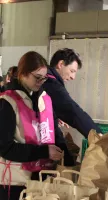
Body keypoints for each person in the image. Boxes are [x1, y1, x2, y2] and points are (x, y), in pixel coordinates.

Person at [0, 51, 63, 200]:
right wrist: (43, 152)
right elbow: (5, 148)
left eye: (44, 77)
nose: (41, 81)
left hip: (37, 180)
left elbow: (50, 130)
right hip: (12, 183)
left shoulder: (42, 99)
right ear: (23, 74)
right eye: (37, 77)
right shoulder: (7, 102)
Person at [43, 48, 101, 139]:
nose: (73, 77)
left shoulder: (47, 77)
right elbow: (72, 110)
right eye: (72, 71)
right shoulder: (51, 83)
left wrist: (54, 116)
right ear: (61, 64)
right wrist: (95, 133)